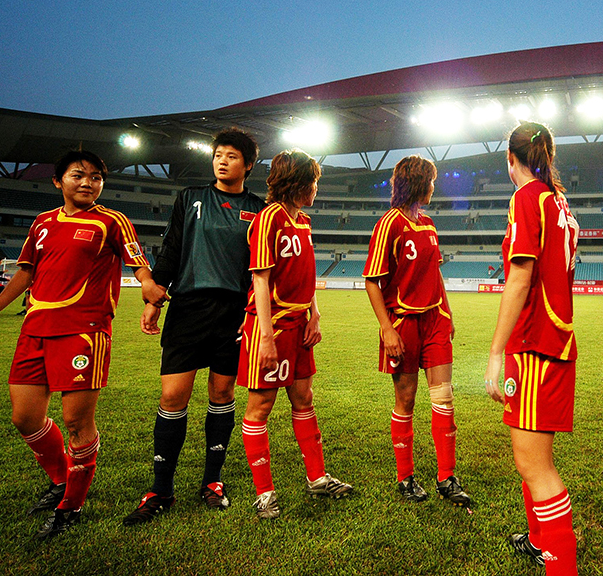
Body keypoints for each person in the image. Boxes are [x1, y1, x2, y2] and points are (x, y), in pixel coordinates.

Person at [0, 150, 161, 539]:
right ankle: (60, 479)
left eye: (96, 177)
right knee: (24, 417)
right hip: (35, 329)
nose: (88, 182)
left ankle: (70, 507)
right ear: (58, 181)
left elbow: (138, 263)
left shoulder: (112, 220)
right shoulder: (42, 223)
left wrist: (149, 286)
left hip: (84, 331)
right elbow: (25, 274)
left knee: (76, 423)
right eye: (78, 175)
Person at [124, 128, 266, 525]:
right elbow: (172, 249)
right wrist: (154, 300)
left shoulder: (259, 210)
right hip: (187, 308)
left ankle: (212, 481)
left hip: (234, 313)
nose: (222, 161)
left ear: (248, 165)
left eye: (232, 156)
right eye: (218, 154)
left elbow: (263, 268)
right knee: (172, 396)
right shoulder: (190, 198)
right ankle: (161, 489)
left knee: (222, 393)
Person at [485, 122, 579, 574]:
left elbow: (520, 277)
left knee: (535, 467)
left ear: (510, 159)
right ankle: (540, 540)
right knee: (533, 460)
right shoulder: (558, 201)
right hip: (555, 340)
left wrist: (495, 352)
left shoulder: (527, 197)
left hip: (534, 343)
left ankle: (561, 566)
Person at [239, 150, 353, 520]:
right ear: (297, 183)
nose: (316, 189)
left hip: (300, 324)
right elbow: (260, 280)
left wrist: (314, 314)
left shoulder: (302, 221)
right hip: (271, 326)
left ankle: (317, 478)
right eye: (313, 182)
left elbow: (306, 273)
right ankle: (264, 493)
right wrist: (266, 337)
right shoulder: (268, 219)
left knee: (304, 398)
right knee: (261, 407)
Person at [363, 155, 471, 507]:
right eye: (431, 181)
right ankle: (406, 477)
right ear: (418, 182)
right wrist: (386, 329)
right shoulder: (389, 224)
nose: (434, 187)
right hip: (403, 323)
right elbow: (372, 280)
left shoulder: (428, 224)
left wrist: (448, 312)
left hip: (435, 319)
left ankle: (447, 477)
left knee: (444, 398)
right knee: (406, 399)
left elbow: (435, 272)